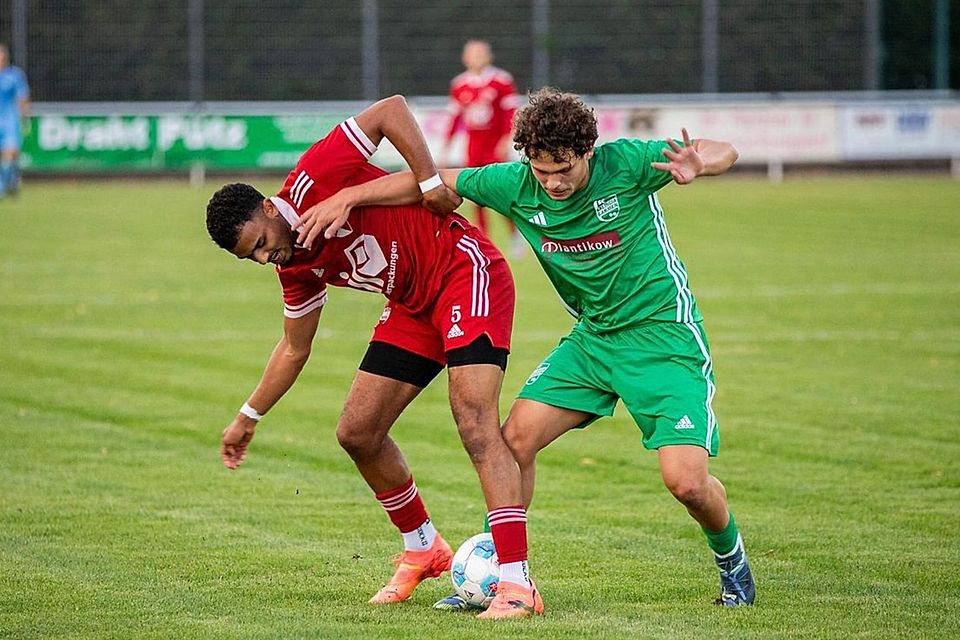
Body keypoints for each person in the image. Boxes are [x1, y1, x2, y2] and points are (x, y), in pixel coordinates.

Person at [295, 88, 757, 609]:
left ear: (588, 152)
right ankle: (506, 576)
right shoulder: (513, 183)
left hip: (662, 338)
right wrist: (351, 196)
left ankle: (732, 560)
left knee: (686, 484)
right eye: (542, 171)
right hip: (592, 341)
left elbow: (723, 149)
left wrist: (701, 162)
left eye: (565, 170)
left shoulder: (626, 163)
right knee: (512, 444)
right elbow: (432, 182)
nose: (554, 183)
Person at [204, 95, 543, 619]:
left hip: (463, 270)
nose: (266, 257)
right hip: (412, 306)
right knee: (357, 431)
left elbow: (391, 110)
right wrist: (248, 416)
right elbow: (295, 348)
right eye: (251, 256)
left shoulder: (315, 174)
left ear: (270, 209)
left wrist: (430, 181)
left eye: (262, 242)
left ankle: (517, 584)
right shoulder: (292, 266)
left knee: (474, 420)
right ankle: (424, 547)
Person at [444, 39, 525, 257]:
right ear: (465, 57)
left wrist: (506, 139)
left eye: (480, 53)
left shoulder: (501, 81)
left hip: (494, 147)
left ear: (489, 56)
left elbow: (511, 113)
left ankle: (515, 233)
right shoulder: (459, 84)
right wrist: (446, 146)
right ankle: (484, 241)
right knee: (474, 195)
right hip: (474, 148)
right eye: (472, 53)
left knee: (500, 193)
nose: (476, 57)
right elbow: (454, 119)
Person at [0, 43, 30, 198]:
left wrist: (25, 116)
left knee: (10, 153)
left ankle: (4, 186)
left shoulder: (14, 75)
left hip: (9, 120)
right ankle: (10, 181)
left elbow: (22, 97)